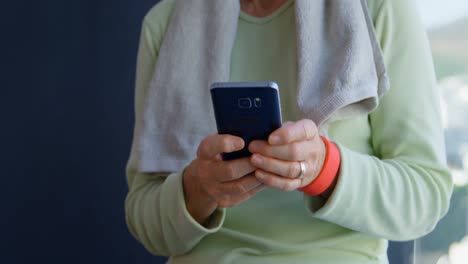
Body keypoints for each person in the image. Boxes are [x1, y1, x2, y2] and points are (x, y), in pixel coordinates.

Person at [125, 0, 454, 263]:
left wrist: (325, 169)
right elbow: (146, 223)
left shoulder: (379, 8)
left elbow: (424, 196)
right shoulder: (166, 23)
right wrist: (198, 189)